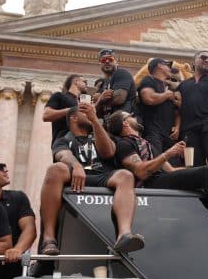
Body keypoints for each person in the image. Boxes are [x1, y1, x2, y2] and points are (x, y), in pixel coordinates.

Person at [39, 103, 144, 255]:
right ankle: (49, 238)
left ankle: (124, 235)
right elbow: (63, 155)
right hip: (75, 176)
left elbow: (108, 152)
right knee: (55, 169)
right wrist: (76, 165)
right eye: (85, 112)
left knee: (125, 175)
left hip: (101, 175)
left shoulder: (100, 133)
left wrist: (95, 120)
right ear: (73, 117)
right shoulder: (63, 139)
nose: (90, 113)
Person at [137, 58, 180, 157]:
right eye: (167, 66)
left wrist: (177, 126)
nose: (170, 69)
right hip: (153, 132)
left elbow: (177, 111)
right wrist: (167, 95)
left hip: (169, 135)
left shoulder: (170, 87)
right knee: (155, 161)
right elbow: (149, 98)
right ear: (160, 65)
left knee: (173, 164)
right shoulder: (149, 80)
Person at [43, 74, 88, 145]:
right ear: (76, 81)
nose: (86, 84)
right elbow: (46, 115)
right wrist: (71, 110)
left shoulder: (83, 101)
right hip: (63, 141)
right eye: (84, 82)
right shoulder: (59, 96)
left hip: (82, 143)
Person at [95, 49, 137, 119]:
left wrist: (100, 99)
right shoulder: (102, 85)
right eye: (103, 60)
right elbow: (97, 113)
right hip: (109, 124)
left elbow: (119, 98)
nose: (107, 61)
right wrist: (101, 100)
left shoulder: (121, 73)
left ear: (116, 62)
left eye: (110, 59)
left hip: (124, 121)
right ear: (100, 64)